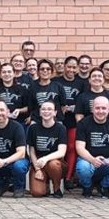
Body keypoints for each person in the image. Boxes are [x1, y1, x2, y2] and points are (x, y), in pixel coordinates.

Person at [75, 95, 109, 199]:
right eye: (97, 108)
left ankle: (104, 186)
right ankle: (87, 186)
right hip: (88, 160)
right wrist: (92, 159)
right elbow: (79, 148)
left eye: (104, 108)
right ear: (92, 109)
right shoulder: (83, 123)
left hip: (107, 162)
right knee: (83, 167)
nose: (100, 111)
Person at [0, 100, 29, 199]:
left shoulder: (17, 127)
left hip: (16, 161)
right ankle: (0, 185)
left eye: (2, 110)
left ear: (8, 112)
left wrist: (4, 161)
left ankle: (18, 187)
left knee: (19, 166)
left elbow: (21, 153)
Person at [26, 101, 67, 198]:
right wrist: (37, 169)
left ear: (55, 112)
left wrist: (46, 159)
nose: (46, 111)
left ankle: (57, 189)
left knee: (53, 164)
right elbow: (31, 151)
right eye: (43, 109)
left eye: (49, 109)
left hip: (56, 163)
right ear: (40, 112)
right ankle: (46, 187)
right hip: (39, 163)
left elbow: (62, 152)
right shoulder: (33, 128)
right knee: (37, 193)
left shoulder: (61, 128)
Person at [54, 56, 83, 189]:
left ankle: (68, 177)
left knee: (71, 148)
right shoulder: (56, 81)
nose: (71, 70)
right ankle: (57, 175)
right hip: (57, 119)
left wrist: (75, 107)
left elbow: (83, 101)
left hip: (73, 120)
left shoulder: (81, 83)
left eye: (74, 67)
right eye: (69, 67)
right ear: (64, 66)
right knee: (57, 148)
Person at [28, 59, 64, 125]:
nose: (45, 71)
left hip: (56, 121)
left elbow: (63, 106)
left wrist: (58, 117)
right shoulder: (32, 88)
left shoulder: (58, 86)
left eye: (48, 69)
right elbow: (31, 108)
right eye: (42, 69)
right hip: (37, 121)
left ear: (52, 71)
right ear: (38, 71)